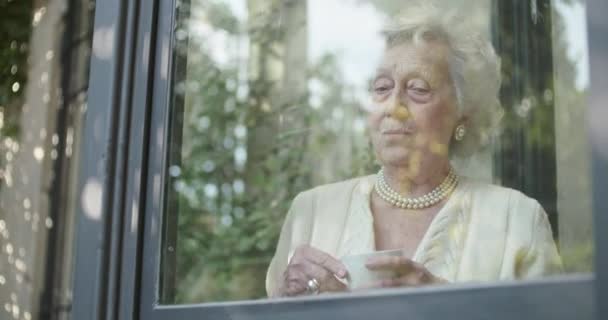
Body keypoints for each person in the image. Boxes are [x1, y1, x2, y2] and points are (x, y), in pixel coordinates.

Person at [265, 3, 562, 298]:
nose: (393, 107)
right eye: (382, 88)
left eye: (418, 89)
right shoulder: (311, 212)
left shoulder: (519, 221)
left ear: (463, 113)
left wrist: (447, 306)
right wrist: (285, 301)